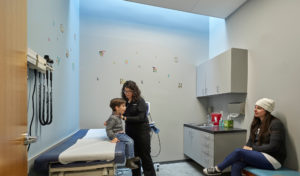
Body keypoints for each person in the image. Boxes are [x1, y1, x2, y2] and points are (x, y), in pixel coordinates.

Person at [203, 98, 286, 176]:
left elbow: (274, 147)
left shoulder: (276, 124)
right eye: (255, 107)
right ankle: (218, 169)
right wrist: (247, 149)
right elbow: (251, 141)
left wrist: (252, 149)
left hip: (273, 160)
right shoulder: (257, 123)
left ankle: (218, 169)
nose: (255, 110)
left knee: (238, 152)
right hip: (259, 155)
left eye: (259, 108)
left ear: (267, 110)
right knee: (236, 163)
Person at [121, 80, 156, 176]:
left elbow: (141, 117)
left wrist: (125, 118)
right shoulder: (125, 102)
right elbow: (120, 113)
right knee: (134, 157)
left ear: (134, 91)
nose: (126, 93)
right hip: (130, 133)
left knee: (145, 157)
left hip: (142, 133)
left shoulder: (140, 101)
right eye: (125, 91)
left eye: (129, 91)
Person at [106, 98, 140, 169]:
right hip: (116, 134)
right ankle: (129, 162)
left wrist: (107, 122)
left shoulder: (117, 115)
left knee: (131, 140)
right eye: (123, 106)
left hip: (120, 133)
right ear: (117, 108)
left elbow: (110, 121)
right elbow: (108, 129)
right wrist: (113, 137)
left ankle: (131, 157)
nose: (125, 108)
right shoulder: (113, 118)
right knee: (130, 141)